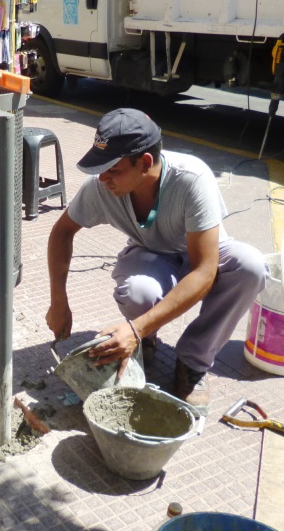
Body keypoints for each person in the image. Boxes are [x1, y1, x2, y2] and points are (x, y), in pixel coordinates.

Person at [46, 108, 267, 414]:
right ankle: (146, 340)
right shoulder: (102, 187)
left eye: (113, 169)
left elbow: (204, 270)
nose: (104, 177)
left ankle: (193, 362)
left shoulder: (192, 178)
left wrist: (133, 330)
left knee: (251, 266)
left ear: (145, 162)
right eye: (101, 167)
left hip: (201, 254)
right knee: (138, 292)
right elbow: (62, 233)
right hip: (151, 254)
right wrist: (58, 301)